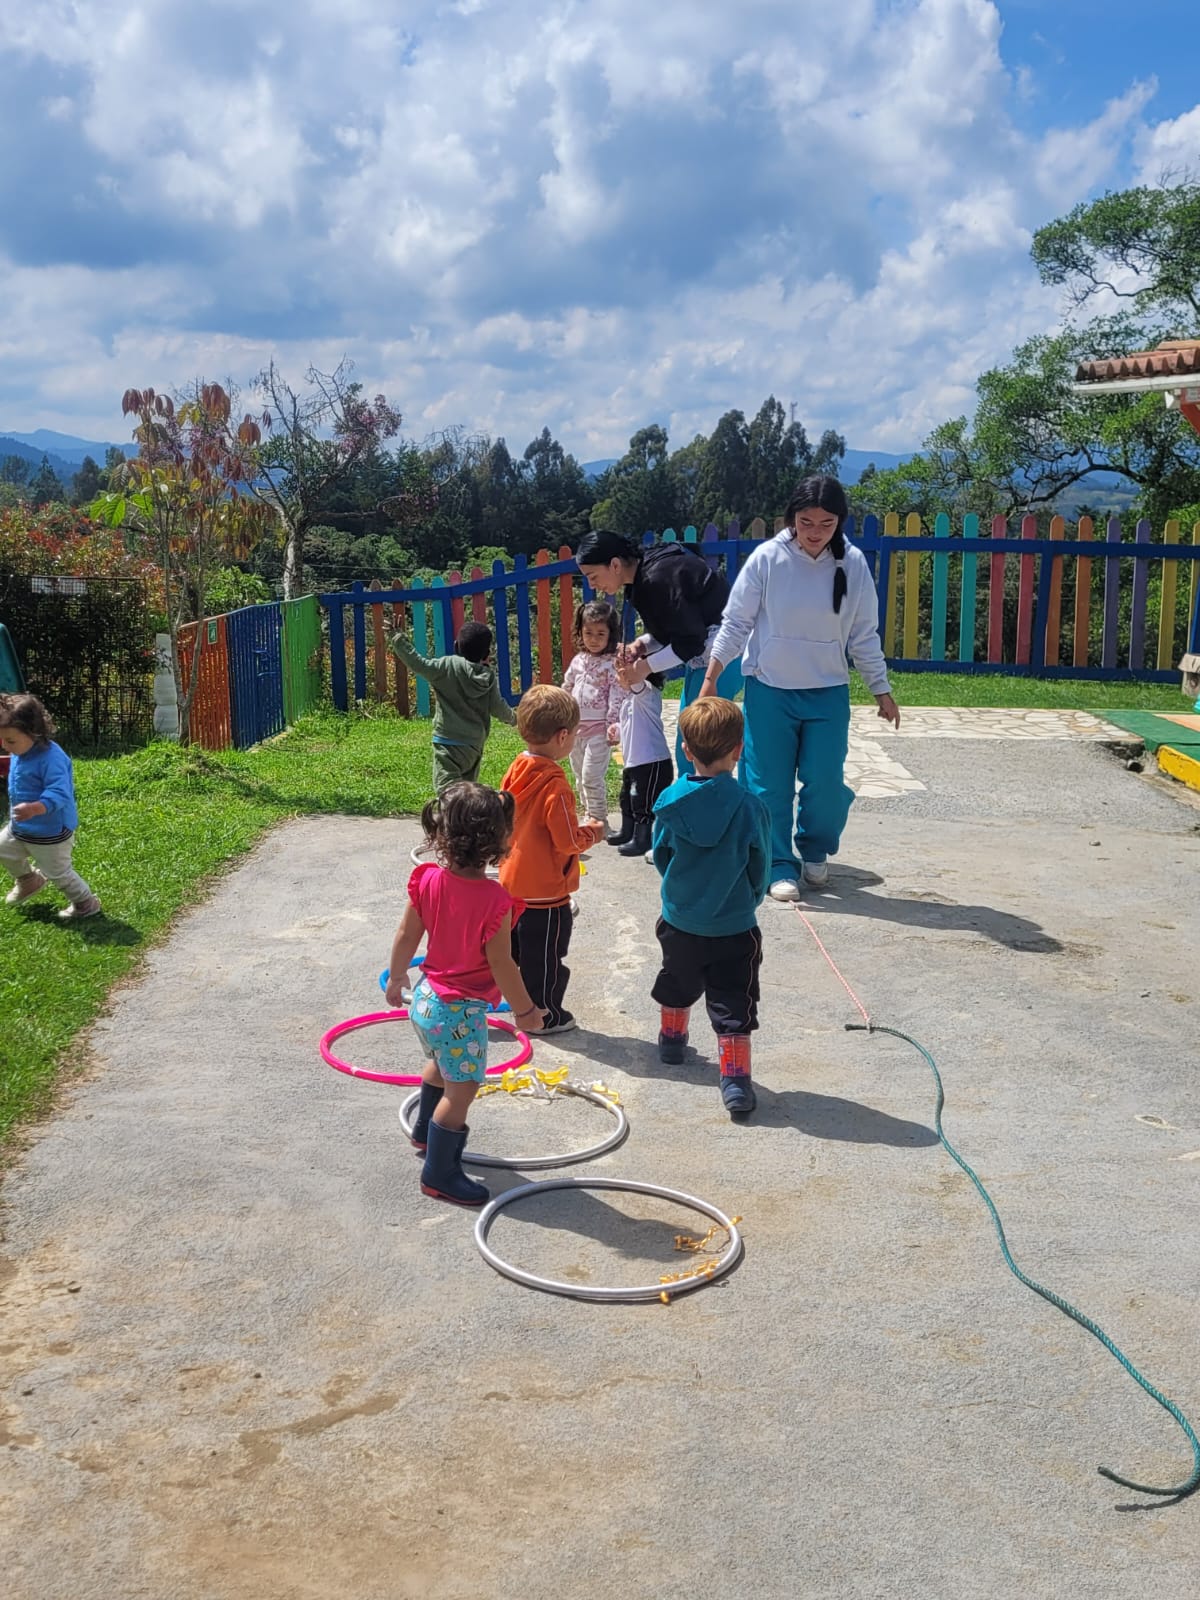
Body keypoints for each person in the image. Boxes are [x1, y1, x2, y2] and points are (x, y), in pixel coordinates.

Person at [699, 476, 899, 902]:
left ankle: (815, 848)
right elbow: (737, 622)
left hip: (828, 691)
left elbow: (864, 633)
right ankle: (778, 864)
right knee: (769, 785)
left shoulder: (854, 564)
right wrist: (713, 675)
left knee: (825, 781)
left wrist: (880, 689)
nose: (814, 531)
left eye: (826, 523)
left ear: (839, 522)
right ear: (791, 517)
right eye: (806, 521)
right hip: (770, 690)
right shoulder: (767, 559)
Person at [384, 783, 544, 1207]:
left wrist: (397, 977)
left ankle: (424, 1131)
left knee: (440, 1064)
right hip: (458, 1011)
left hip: (426, 1001)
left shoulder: (428, 879)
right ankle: (439, 1173)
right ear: (499, 841)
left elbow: (405, 935)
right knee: (463, 1089)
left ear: (441, 835)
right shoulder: (495, 901)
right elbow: (502, 964)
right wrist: (525, 1011)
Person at [650, 698, 770, 1116]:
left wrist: (677, 894)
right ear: (738, 749)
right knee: (733, 1000)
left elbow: (661, 854)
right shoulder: (751, 807)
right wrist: (751, 898)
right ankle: (735, 1081)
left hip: (680, 919)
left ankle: (671, 1042)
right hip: (734, 926)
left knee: (677, 978)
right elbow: (760, 864)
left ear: (686, 749)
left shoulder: (670, 801)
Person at [575, 529, 743, 774]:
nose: (592, 585)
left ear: (614, 565)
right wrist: (641, 646)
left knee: (701, 741)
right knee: (689, 741)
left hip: (728, 656)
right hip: (704, 659)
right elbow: (670, 631)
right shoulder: (645, 577)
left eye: (592, 576)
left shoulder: (658, 579)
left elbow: (689, 640)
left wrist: (642, 668)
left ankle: (709, 802)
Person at [498, 685, 606, 1035]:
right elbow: (567, 840)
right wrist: (592, 832)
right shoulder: (556, 786)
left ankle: (520, 1006)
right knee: (545, 960)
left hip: (512, 883)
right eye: (574, 734)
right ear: (562, 737)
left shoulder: (517, 768)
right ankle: (543, 1014)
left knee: (516, 953)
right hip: (546, 893)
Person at [1, 692, 101, 920]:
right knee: (2, 849)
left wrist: (36, 808)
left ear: (34, 732)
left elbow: (59, 792)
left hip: (50, 832)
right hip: (21, 828)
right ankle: (29, 880)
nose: (5, 745)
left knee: (59, 873)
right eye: (2, 740)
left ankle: (85, 902)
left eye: (10, 741)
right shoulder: (21, 750)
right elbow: (21, 771)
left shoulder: (51, 758)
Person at [390, 619, 515, 793]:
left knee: (447, 792)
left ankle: (450, 817)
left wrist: (398, 638)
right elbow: (498, 708)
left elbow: (418, 663)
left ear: (456, 646)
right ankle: (467, 817)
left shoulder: (446, 667)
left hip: (447, 743)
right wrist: (515, 718)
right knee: (467, 793)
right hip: (473, 746)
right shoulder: (487, 678)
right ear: (487, 654)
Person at [561, 600, 626, 825]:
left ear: (611, 635)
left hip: (599, 731)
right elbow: (567, 687)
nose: (594, 639)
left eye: (601, 633)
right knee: (579, 777)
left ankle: (598, 820)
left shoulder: (611, 663)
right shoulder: (579, 660)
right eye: (588, 633)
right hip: (575, 731)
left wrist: (613, 724)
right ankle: (589, 814)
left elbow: (617, 695)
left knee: (591, 776)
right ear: (580, 632)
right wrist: (561, 712)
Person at [608, 653, 673, 857]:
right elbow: (630, 723)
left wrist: (632, 671)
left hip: (652, 762)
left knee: (642, 801)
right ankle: (628, 831)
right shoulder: (630, 699)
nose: (620, 674)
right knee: (626, 797)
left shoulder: (647, 692)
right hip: (633, 762)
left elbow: (636, 681)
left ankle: (642, 838)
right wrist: (616, 730)